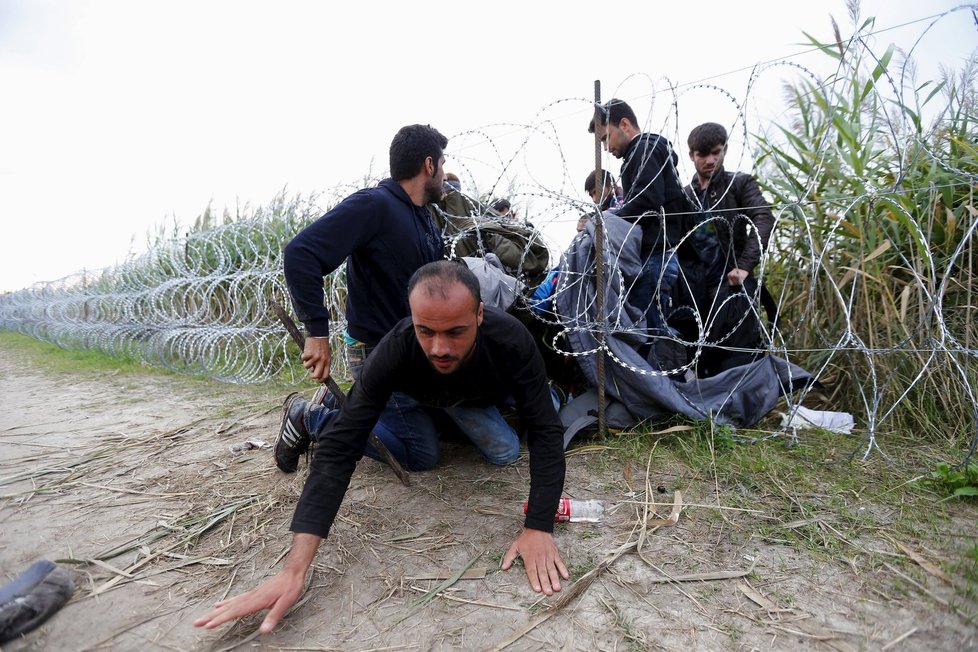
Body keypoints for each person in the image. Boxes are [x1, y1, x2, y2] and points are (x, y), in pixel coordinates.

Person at [194, 261, 568, 634]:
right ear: (412, 319)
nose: (439, 347)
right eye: (426, 331)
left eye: (456, 331)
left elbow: (546, 430)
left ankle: (397, 411)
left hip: (466, 396)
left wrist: (538, 526)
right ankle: (316, 414)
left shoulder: (512, 340)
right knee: (420, 457)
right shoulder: (396, 349)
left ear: (480, 314)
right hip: (407, 393)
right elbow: (341, 449)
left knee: (506, 450)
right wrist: (294, 571)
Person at [276, 124, 447, 471]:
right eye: (443, 164)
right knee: (421, 454)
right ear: (429, 165)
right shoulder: (375, 206)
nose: (445, 174)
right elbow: (301, 253)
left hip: (411, 349)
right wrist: (316, 332)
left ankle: (347, 404)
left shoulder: (425, 218)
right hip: (377, 350)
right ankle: (310, 418)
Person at [588, 99, 690, 335]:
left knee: (648, 335)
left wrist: (609, 219)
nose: (605, 148)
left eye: (606, 138)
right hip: (654, 254)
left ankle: (669, 373)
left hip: (655, 255)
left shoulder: (645, 149)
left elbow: (647, 199)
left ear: (624, 124)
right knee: (648, 332)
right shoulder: (642, 153)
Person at [685, 122, 775, 374]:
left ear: (725, 149)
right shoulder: (684, 197)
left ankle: (742, 408)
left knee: (738, 357)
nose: (711, 160)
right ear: (692, 155)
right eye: (703, 154)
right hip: (696, 292)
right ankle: (707, 412)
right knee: (702, 360)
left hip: (732, 286)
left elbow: (764, 218)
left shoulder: (739, 184)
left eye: (716, 152)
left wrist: (745, 266)